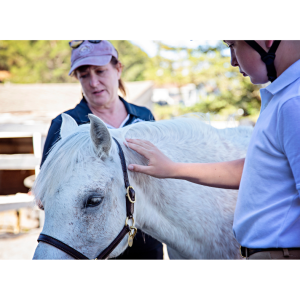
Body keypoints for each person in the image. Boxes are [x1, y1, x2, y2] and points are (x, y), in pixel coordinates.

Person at [125, 40, 300, 260]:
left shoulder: (293, 101)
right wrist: (172, 168)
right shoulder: (283, 98)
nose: (232, 60)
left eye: (233, 45)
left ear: (267, 40)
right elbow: (253, 170)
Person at [41, 40, 163, 260]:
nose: (93, 82)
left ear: (118, 69)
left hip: (146, 240)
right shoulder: (66, 125)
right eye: (84, 75)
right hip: (91, 244)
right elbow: (46, 193)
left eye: (100, 71)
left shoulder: (144, 117)